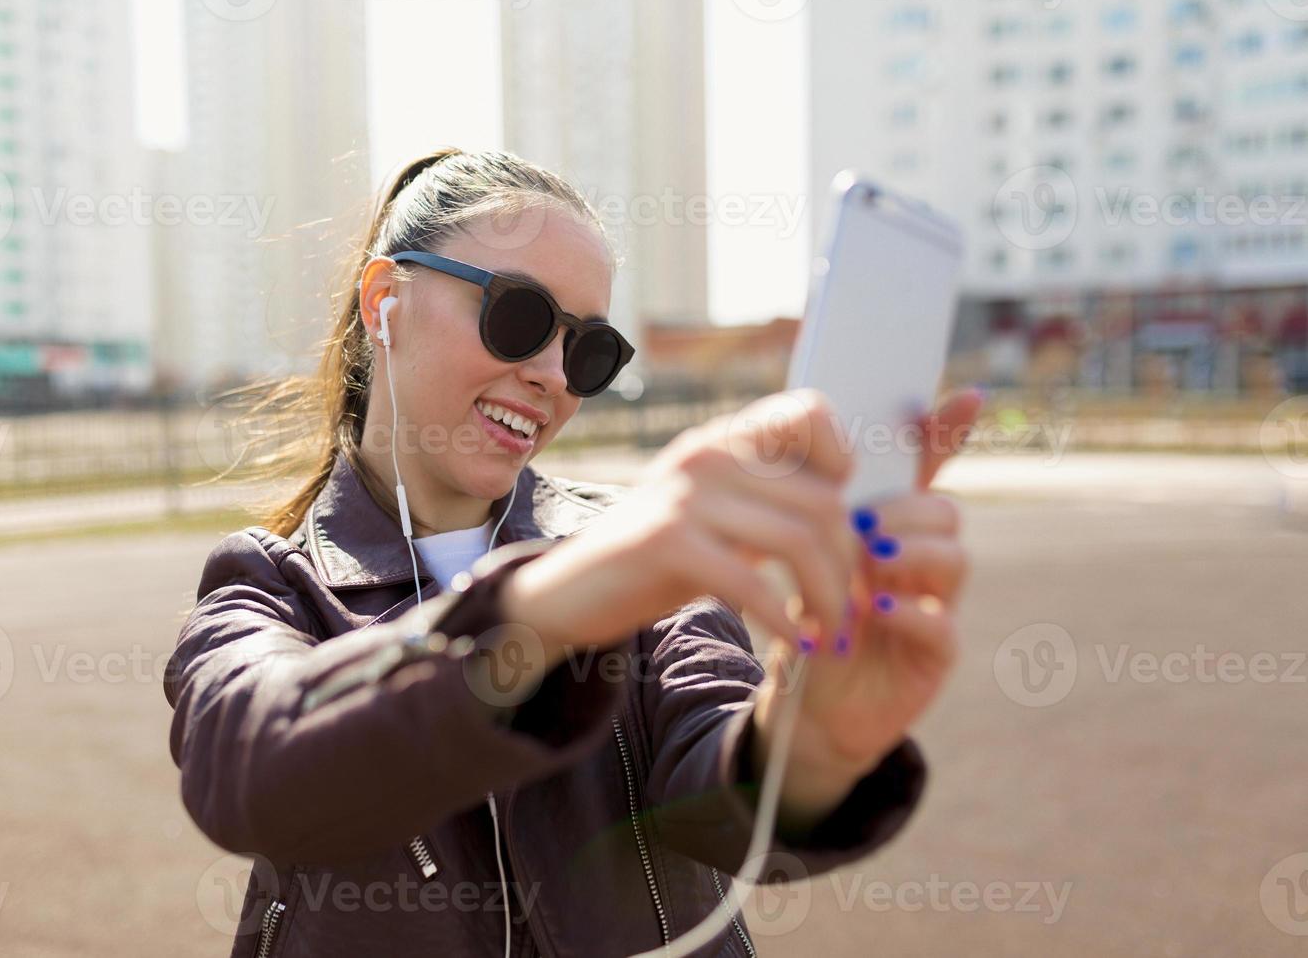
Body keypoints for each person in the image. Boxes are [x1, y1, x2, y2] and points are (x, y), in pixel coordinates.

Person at [165, 148, 979, 957]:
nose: (553, 374)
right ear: (386, 300)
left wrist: (816, 739)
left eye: (590, 351)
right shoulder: (267, 581)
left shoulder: (639, 546)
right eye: (518, 316)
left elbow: (717, 785)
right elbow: (250, 769)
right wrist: (555, 604)